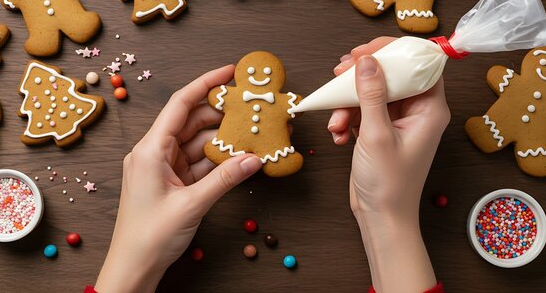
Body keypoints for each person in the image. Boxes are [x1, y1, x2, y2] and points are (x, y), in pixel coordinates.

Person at [92, 37, 450, 293]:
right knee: (227, 146)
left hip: (272, 147)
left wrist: (129, 268)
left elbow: (283, 103)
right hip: (230, 143)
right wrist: (387, 215)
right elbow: (221, 95)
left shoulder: (282, 100)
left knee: (277, 152)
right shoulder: (233, 95)